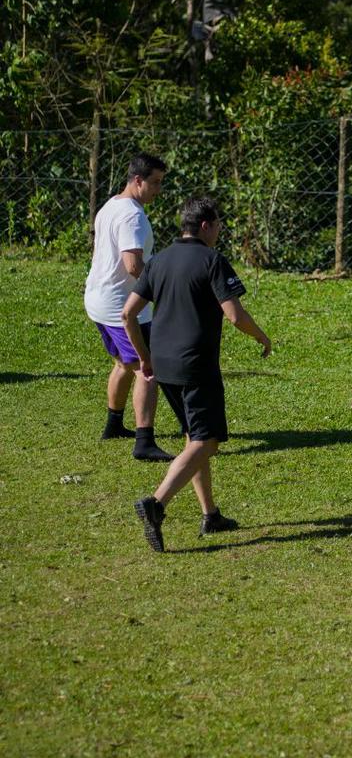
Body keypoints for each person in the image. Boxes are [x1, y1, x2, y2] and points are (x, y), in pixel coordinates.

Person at [122, 197, 271, 553]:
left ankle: (210, 514)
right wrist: (262, 336)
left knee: (194, 437)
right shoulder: (212, 260)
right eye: (218, 223)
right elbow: (234, 315)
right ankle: (156, 504)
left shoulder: (158, 261)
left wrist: (145, 358)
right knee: (208, 441)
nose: (220, 229)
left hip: (164, 365)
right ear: (204, 225)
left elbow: (128, 314)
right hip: (196, 365)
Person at [84, 151, 173, 461]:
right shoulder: (132, 215)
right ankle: (144, 442)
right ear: (137, 180)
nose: (159, 190)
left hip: (98, 299)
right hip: (120, 306)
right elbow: (133, 264)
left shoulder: (112, 205)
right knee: (148, 369)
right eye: (155, 182)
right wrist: (163, 287)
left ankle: (113, 426)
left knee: (124, 364)